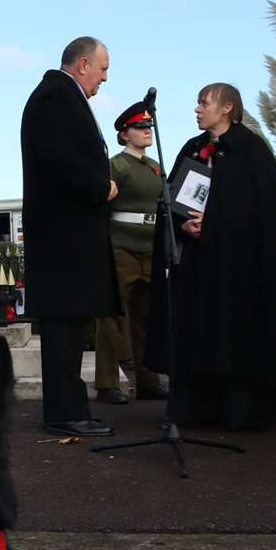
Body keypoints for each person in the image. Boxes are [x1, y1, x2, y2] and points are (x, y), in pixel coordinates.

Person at [146, 82, 276, 429]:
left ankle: (241, 412)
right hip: (198, 268)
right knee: (196, 331)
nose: (197, 109)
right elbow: (170, 199)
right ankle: (195, 408)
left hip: (238, 269)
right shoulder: (193, 148)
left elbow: (263, 212)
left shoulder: (252, 151)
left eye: (204, 102)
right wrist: (182, 225)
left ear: (227, 107)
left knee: (235, 333)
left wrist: (215, 223)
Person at [20, 37, 121, 435]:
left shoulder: (58, 96)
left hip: (65, 237)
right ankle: (66, 412)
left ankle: (69, 408)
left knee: (71, 325)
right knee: (65, 326)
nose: (105, 77)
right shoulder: (56, 97)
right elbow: (60, 159)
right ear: (82, 64)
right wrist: (101, 187)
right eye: (103, 68)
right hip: (64, 239)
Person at [94, 103, 167, 405]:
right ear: (124, 134)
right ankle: (107, 384)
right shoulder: (116, 166)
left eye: (149, 127)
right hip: (121, 248)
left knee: (146, 318)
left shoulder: (155, 167)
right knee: (112, 316)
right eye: (140, 128)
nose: (147, 132)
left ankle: (148, 381)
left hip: (151, 249)